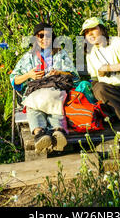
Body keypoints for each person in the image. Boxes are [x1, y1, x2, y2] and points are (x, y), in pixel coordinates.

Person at [10, 22, 79, 153]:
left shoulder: (61, 54)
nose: (44, 39)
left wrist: (59, 72)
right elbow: (14, 79)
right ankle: (41, 133)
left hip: (55, 88)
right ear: (36, 38)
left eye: (48, 36)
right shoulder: (29, 57)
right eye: (41, 36)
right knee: (35, 104)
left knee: (52, 101)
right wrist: (29, 74)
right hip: (36, 90)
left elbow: (74, 75)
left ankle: (56, 132)